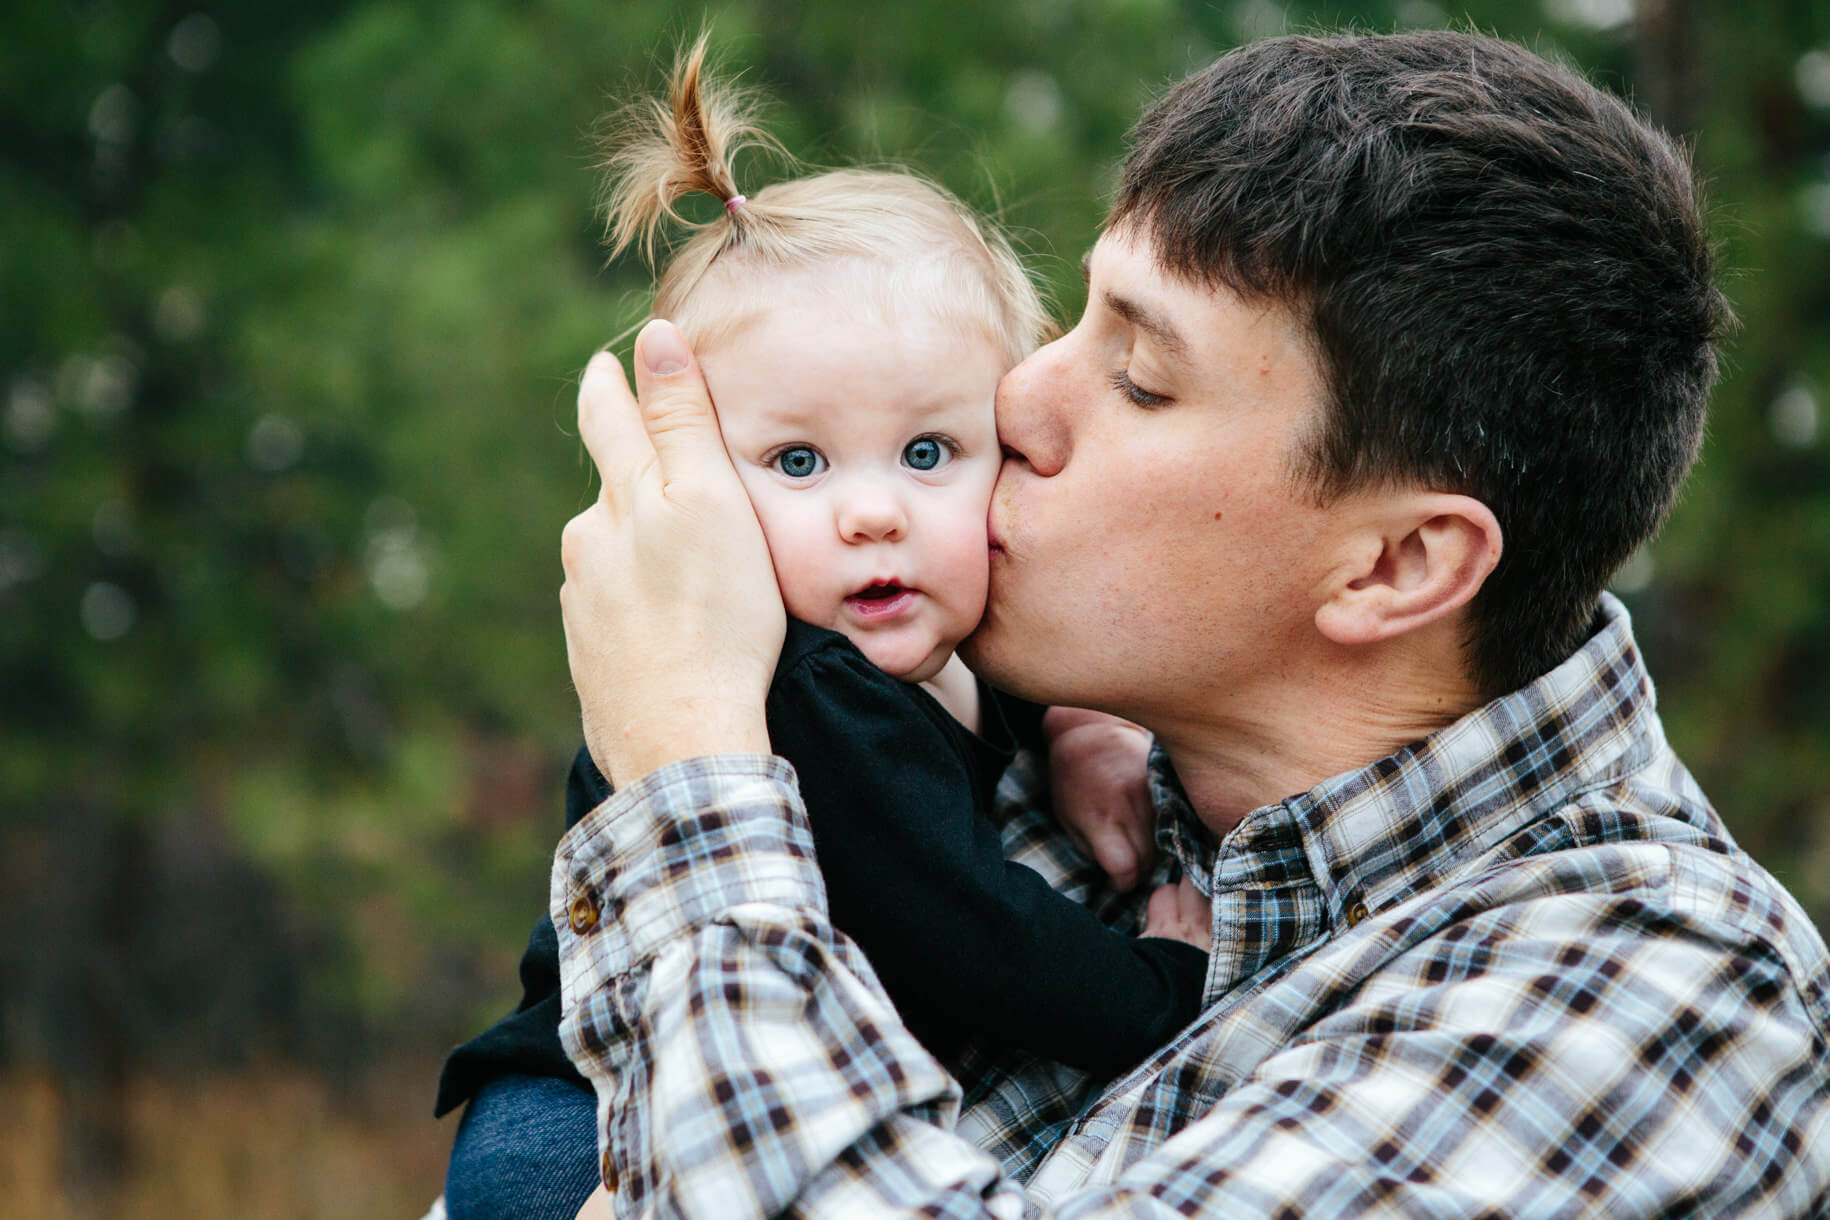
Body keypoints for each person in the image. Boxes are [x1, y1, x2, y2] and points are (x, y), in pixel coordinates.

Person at [553, 27, 1830, 1217]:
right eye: (1077, 320)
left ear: (1392, 564)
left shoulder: (1648, 997)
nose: (1021, 398)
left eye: (1141, 377)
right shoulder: (1085, 772)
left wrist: (685, 760)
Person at [437, 41, 1212, 1220]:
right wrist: (1160, 985)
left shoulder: (930, 634)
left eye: (928, 451)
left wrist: (1070, 723)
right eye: (796, 460)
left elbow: (995, 691)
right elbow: (975, 931)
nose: (871, 509)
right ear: (693, 484)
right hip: (574, 1121)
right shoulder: (807, 690)